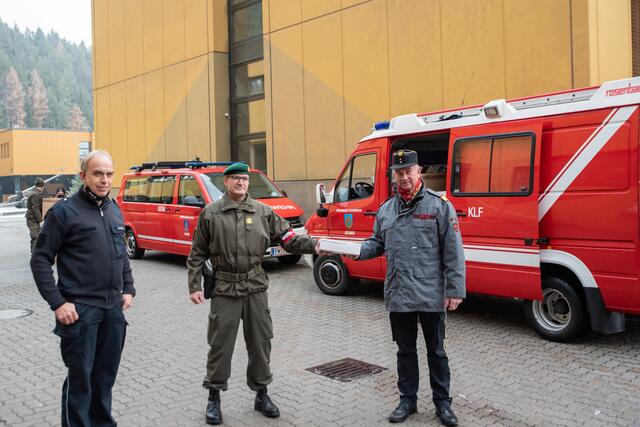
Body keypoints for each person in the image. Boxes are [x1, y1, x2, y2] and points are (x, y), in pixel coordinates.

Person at [187, 162, 323, 425]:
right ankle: (214, 398)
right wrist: (194, 286)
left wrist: (314, 245)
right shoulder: (211, 213)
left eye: (245, 179)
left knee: (261, 343)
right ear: (225, 182)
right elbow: (197, 254)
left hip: (255, 287)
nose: (241, 183)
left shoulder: (263, 212)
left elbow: (288, 239)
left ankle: (262, 394)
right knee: (220, 345)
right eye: (235, 179)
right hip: (225, 288)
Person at [356, 149, 465, 426]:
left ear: (420, 172)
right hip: (399, 292)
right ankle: (408, 400)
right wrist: (356, 250)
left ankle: (443, 404)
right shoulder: (386, 210)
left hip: (431, 294)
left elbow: (453, 252)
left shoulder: (439, 207)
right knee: (404, 352)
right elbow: (376, 243)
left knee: (436, 352)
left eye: (409, 171)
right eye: (399, 172)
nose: (404, 177)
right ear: (394, 175)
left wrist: (455, 290)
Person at [30, 150, 135, 427]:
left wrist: (128, 288)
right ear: (83, 176)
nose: (104, 180)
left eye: (109, 174)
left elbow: (121, 254)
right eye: (98, 173)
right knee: (80, 380)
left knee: (104, 378)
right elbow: (40, 259)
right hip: (80, 313)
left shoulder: (113, 209)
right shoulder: (64, 212)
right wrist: (57, 303)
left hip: (112, 311)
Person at [25, 177, 45, 252]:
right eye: (43, 186)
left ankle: (35, 254)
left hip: (32, 218)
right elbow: (35, 208)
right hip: (33, 219)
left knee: (36, 237)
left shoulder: (34, 193)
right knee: (36, 237)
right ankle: (34, 255)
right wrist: (40, 220)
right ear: (41, 186)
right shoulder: (35, 194)